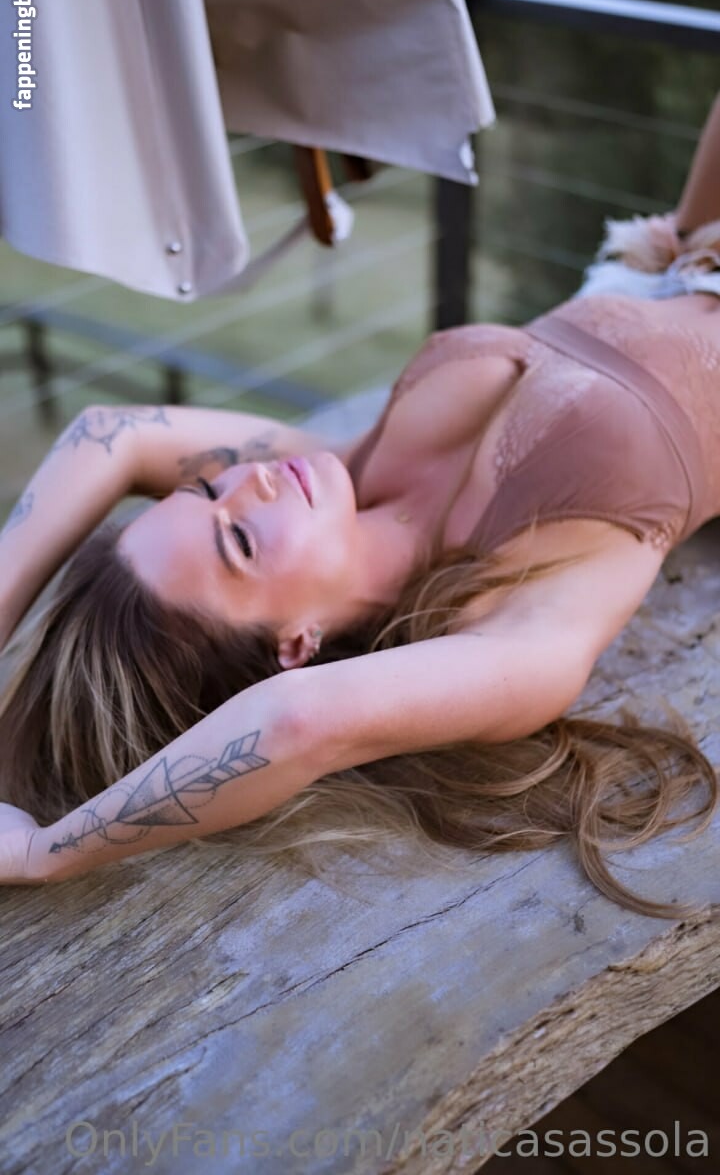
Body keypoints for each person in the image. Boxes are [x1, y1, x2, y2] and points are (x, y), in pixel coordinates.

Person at [1, 101, 720, 919]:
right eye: (240, 542)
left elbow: (110, 436)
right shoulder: (510, 632)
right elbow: (296, 722)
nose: (249, 483)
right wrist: (48, 851)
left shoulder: (344, 467)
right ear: (295, 643)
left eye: (205, 490)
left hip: (681, 253)